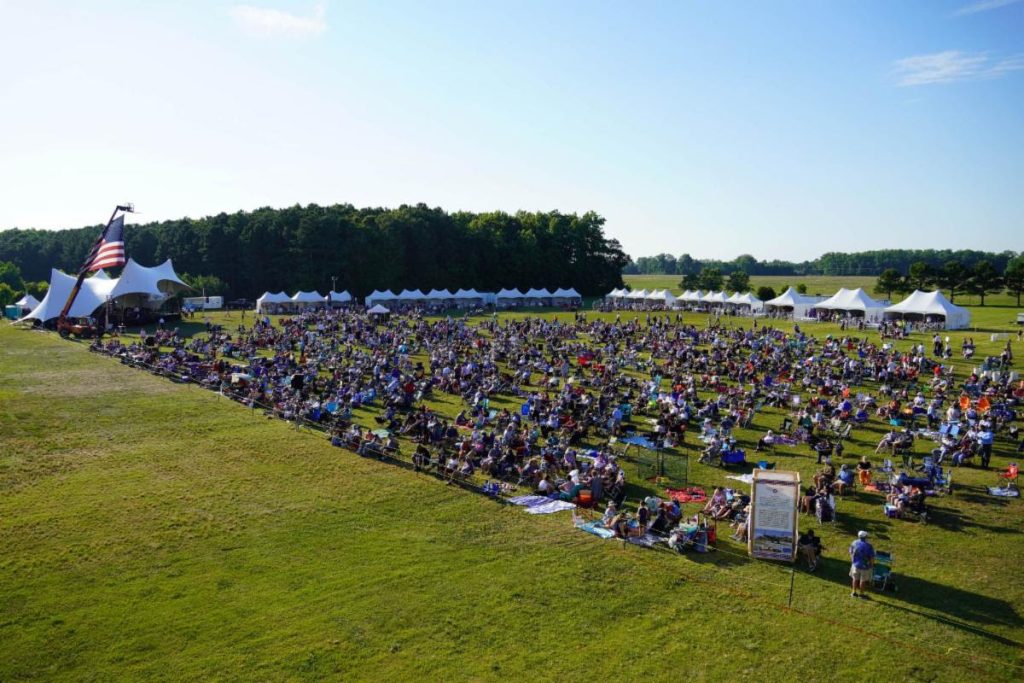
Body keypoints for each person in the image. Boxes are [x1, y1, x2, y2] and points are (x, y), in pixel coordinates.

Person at [848, 530, 875, 598]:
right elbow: (871, 557)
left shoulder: (854, 542)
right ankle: (861, 594)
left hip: (855, 565)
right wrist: (871, 565)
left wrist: (853, 561)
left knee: (855, 579)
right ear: (865, 537)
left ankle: (853, 592)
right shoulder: (869, 546)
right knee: (863, 580)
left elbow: (851, 552)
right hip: (865, 566)